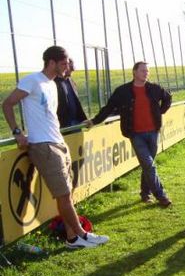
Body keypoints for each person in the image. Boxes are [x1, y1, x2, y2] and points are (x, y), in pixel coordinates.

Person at [2, 46, 109, 249]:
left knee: (67, 193)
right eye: (64, 63)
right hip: (43, 146)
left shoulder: (52, 84)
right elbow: (7, 104)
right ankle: (83, 235)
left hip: (58, 142)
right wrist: (17, 133)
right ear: (51, 62)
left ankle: (72, 238)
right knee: (64, 194)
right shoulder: (32, 80)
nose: (67, 66)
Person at [86, 61, 172, 207]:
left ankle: (145, 194)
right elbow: (109, 107)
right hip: (135, 134)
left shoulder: (154, 88)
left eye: (147, 71)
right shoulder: (122, 91)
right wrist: (95, 121)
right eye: (143, 70)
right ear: (134, 72)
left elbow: (168, 98)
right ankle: (161, 195)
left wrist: (160, 111)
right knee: (149, 165)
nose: (146, 73)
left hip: (153, 132)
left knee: (147, 165)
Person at [55, 58, 87, 128]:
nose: (73, 69)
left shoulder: (71, 82)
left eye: (73, 67)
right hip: (63, 124)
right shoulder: (53, 83)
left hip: (76, 122)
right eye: (71, 67)